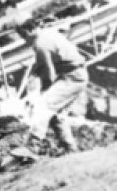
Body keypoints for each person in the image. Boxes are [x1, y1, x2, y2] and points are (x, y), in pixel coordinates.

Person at [18, 19, 87, 152]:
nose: (24, 39)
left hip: (72, 77)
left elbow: (48, 73)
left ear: (28, 30)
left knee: (44, 105)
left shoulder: (40, 44)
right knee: (56, 113)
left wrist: (44, 90)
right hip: (74, 74)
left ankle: (33, 145)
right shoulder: (48, 33)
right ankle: (70, 148)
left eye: (23, 35)